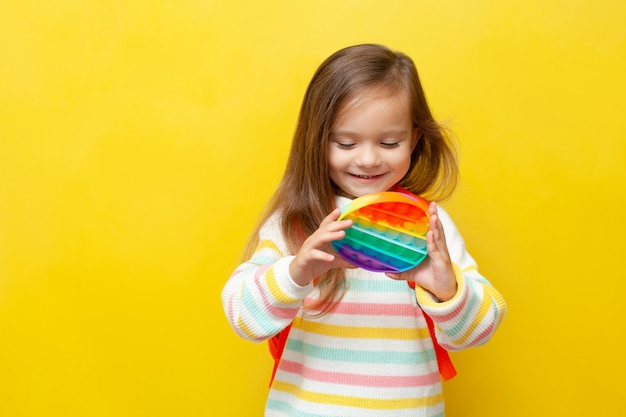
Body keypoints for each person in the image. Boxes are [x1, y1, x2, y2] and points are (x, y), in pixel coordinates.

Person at [221, 43, 507, 417]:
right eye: (346, 142)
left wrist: (445, 286)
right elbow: (242, 315)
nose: (369, 159)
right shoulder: (296, 222)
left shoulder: (428, 224)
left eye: (390, 142)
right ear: (317, 141)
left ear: (415, 139)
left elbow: (479, 329)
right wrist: (298, 272)